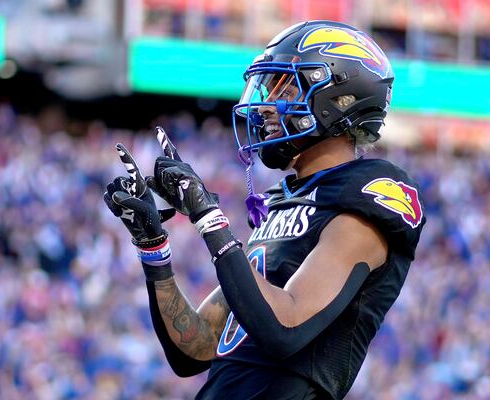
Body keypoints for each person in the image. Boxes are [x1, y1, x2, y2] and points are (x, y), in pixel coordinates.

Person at [104, 20, 425, 400]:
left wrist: (208, 217)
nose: (268, 106)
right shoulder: (284, 202)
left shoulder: (367, 193)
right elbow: (196, 345)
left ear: (339, 98)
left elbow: (283, 327)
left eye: (284, 88)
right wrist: (154, 247)